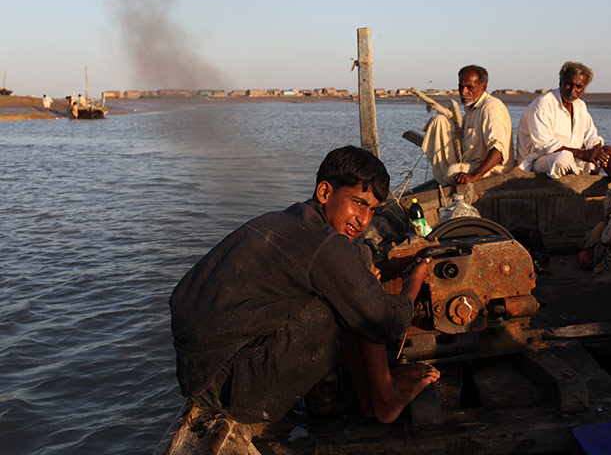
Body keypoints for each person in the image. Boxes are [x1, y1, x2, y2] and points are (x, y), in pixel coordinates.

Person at [170, 146, 439, 425]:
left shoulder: (290, 221)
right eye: (358, 203)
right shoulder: (324, 244)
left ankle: (365, 394)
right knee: (356, 298)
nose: (365, 220)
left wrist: (376, 267)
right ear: (324, 192)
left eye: (372, 209)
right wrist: (414, 281)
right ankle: (384, 397)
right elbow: (387, 323)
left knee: (350, 285)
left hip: (199, 373)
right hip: (233, 390)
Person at [517, 61, 611, 181]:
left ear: (584, 88)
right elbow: (544, 145)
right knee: (563, 158)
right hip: (538, 161)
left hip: (574, 158)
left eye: (579, 87)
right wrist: (583, 154)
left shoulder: (580, 106)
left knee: (609, 151)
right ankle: (579, 180)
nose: (573, 90)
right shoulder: (543, 104)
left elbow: (592, 137)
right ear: (560, 82)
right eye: (569, 84)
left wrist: (598, 150)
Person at [421, 65, 514, 185]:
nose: (463, 92)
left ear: (483, 87)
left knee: (451, 172)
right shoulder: (471, 109)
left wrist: (474, 176)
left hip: (493, 170)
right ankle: (445, 178)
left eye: (470, 87)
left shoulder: (491, 108)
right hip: (470, 163)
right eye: (461, 87)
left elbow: (498, 151)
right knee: (439, 121)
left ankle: (447, 178)